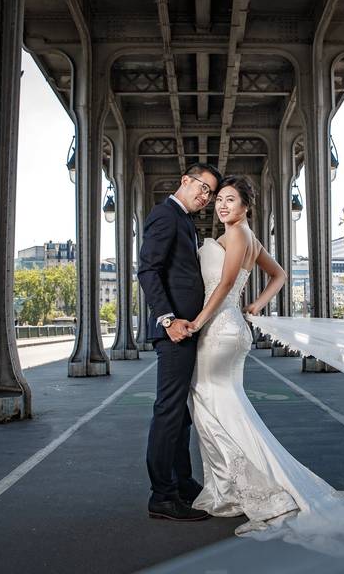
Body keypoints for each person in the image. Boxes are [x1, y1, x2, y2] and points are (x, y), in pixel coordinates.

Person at [186, 175, 342, 535]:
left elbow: (225, 285)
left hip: (219, 330)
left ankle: (246, 489)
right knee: (221, 405)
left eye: (230, 200)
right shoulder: (247, 237)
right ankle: (229, 486)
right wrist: (256, 303)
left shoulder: (240, 235)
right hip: (230, 327)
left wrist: (197, 322)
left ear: (245, 207)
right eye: (219, 199)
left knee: (212, 403)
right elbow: (280, 274)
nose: (222, 205)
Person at [137, 162, 222, 522]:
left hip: (187, 331)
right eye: (201, 187)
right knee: (169, 411)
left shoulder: (185, 220)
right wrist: (168, 319)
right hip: (175, 330)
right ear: (184, 180)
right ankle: (162, 495)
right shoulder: (165, 215)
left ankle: (181, 480)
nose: (205, 197)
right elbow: (147, 269)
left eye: (210, 193)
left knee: (181, 416)